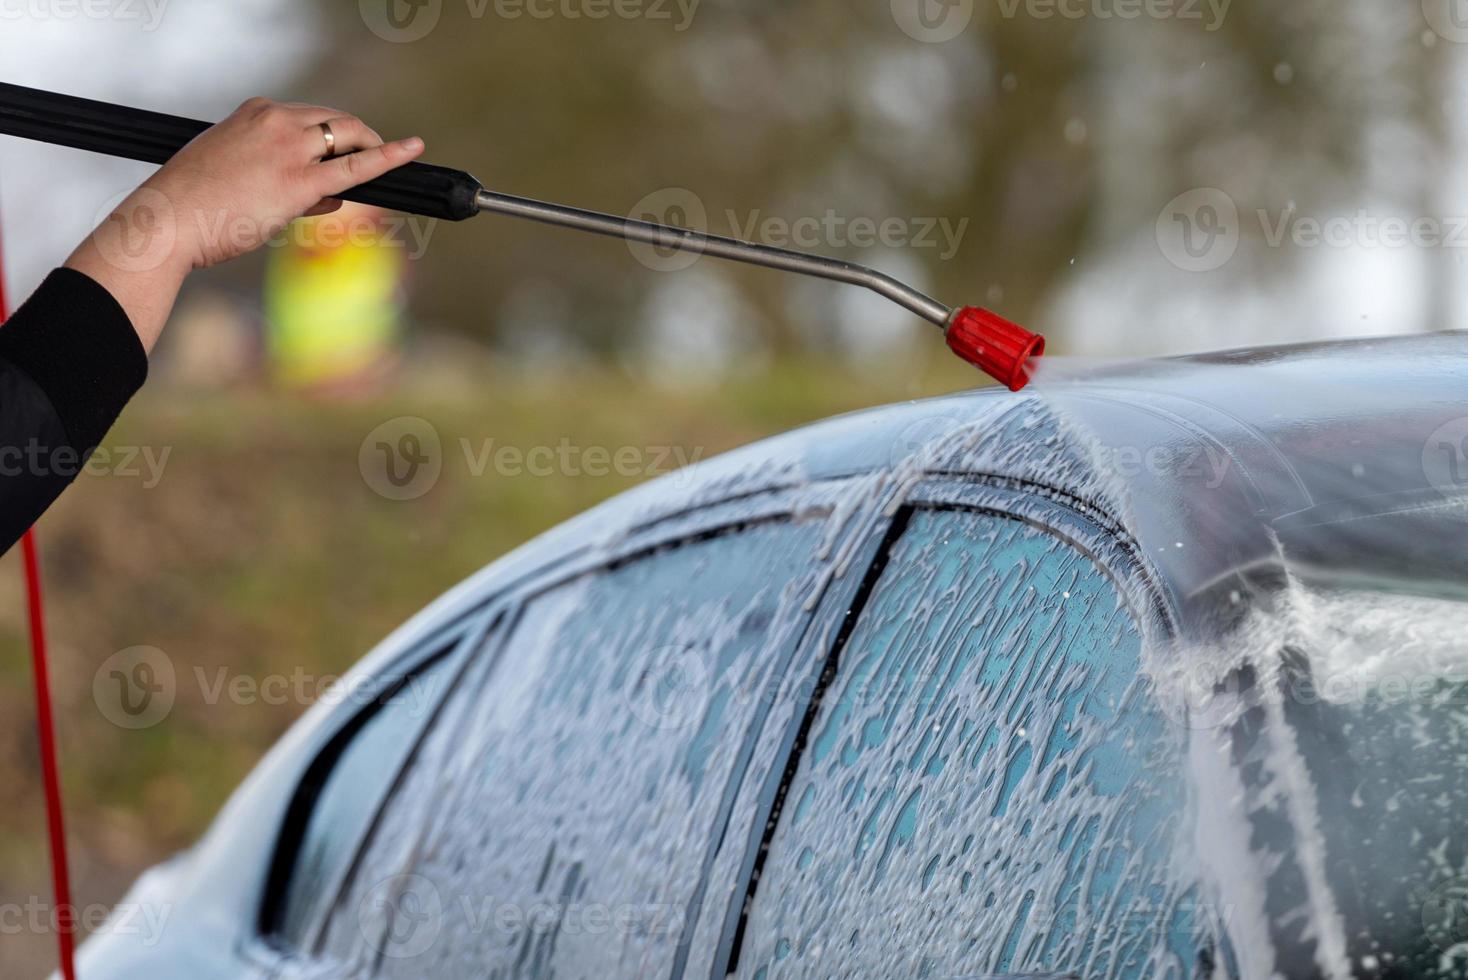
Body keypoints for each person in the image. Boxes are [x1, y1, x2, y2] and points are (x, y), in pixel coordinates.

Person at [0, 98, 424, 551]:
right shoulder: (326, 242)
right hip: (308, 385)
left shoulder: (366, 246)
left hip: (347, 388)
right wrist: (171, 222)